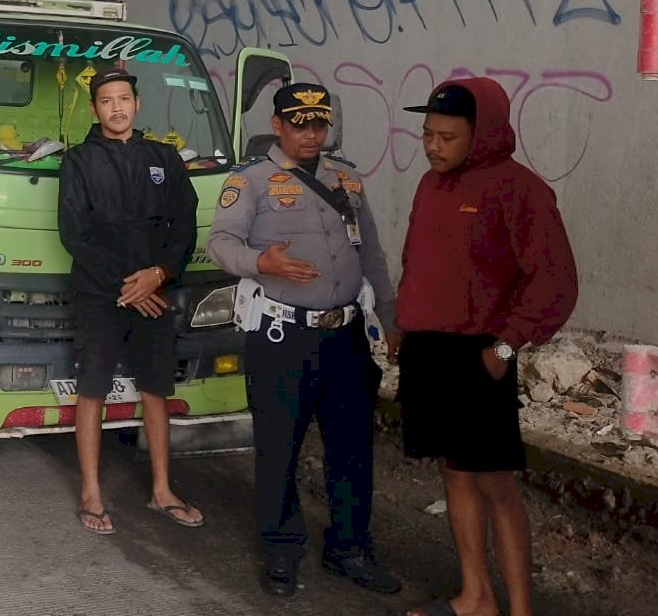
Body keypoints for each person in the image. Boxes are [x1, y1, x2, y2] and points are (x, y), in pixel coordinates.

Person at [205, 82, 401, 599]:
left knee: (352, 447)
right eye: (300, 123)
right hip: (282, 335)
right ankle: (281, 549)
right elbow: (220, 242)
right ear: (277, 125)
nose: (311, 133)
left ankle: (350, 548)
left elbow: (372, 251)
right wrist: (260, 262)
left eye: (319, 124)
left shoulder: (346, 179)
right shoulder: (249, 181)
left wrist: (390, 313)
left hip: (346, 335)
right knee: (279, 448)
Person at [395, 80, 577, 616]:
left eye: (447, 137)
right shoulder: (431, 186)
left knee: (494, 481)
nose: (433, 146)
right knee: (453, 471)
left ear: (482, 135)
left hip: (480, 354)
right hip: (429, 350)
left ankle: (521, 610)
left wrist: (506, 347)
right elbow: (419, 260)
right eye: (427, 134)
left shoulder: (520, 189)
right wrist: (406, 322)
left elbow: (554, 279)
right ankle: (476, 597)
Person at [57, 67, 203, 537]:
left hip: (156, 293)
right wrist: (128, 287)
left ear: (137, 104)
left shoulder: (164, 157)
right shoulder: (78, 161)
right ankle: (91, 494)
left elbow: (185, 227)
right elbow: (74, 235)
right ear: (95, 108)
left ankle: (162, 489)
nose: (116, 108)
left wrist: (158, 275)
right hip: (102, 294)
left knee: (156, 388)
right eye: (106, 101)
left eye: (124, 98)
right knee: (93, 388)